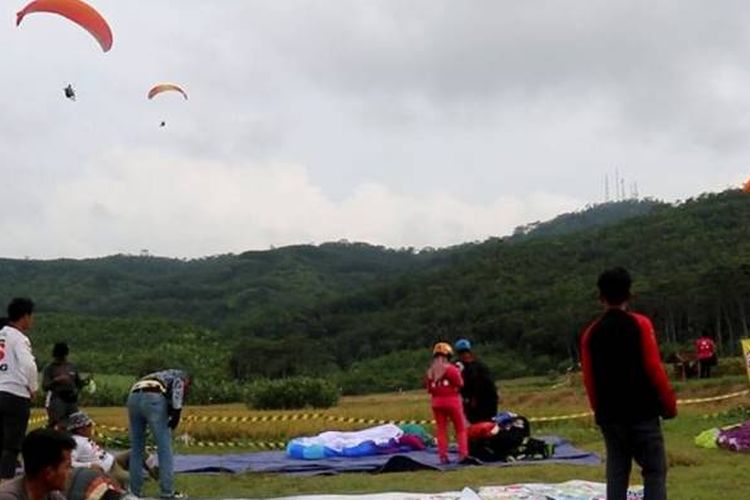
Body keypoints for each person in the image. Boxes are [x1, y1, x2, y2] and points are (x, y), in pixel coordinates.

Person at [581, 268, 677, 500]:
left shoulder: (590, 333)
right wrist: (668, 404)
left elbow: (589, 379)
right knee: (654, 471)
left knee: (617, 471)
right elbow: (654, 368)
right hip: (642, 412)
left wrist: (599, 410)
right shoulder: (640, 324)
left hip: (610, 416)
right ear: (629, 294)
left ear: (601, 298)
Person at [127, 370, 190, 499]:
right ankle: (167, 492)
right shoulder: (180, 376)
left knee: (137, 449)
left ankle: (134, 493)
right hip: (153, 396)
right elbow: (178, 389)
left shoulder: (159, 375)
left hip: (133, 397)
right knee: (164, 448)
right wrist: (177, 412)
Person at [65, 411, 156, 490]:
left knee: (138, 450)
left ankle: (156, 474)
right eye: (88, 425)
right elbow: (69, 463)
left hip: (113, 460)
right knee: (136, 480)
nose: (91, 427)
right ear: (80, 429)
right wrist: (89, 465)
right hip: (110, 471)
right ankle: (145, 483)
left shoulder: (84, 438)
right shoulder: (75, 443)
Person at [0, 298, 38, 481]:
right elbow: (28, 365)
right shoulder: (19, 338)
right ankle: (5, 485)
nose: (32, 320)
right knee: (12, 445)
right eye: (31, 316)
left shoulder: (1, 335)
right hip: (15, 395)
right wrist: (33, 387)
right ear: (24, 317)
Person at [425, 342, 469, 464]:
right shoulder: (451, 369)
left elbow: (429, 389)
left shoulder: (430, 371)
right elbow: (460, 384)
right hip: (452, 401)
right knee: (460, 429)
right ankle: (463, 454)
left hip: (436, 402)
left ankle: (443, 456)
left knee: (441, 430)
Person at [0, 428, 73, 500]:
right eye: (67, 467)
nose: (71, 472)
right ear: (49, 472)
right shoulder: (7, 497)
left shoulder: (50, 495)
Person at [453, 339, 499, 423]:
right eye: (462, 353)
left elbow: (481, 384)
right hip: (476, 401)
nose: (464, 355)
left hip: (483, 400)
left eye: (465, 352)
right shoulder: (460, 366)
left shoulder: (477, 367)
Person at [43, 343, 86, 429]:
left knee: (74, 425)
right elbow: (45, 386)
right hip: (57, 400)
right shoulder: (50, 368)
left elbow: (78, 383)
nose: (62, 358)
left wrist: (85, 383)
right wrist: (56, 380)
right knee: (57, 425)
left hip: (72, 400)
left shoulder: (72, 366)